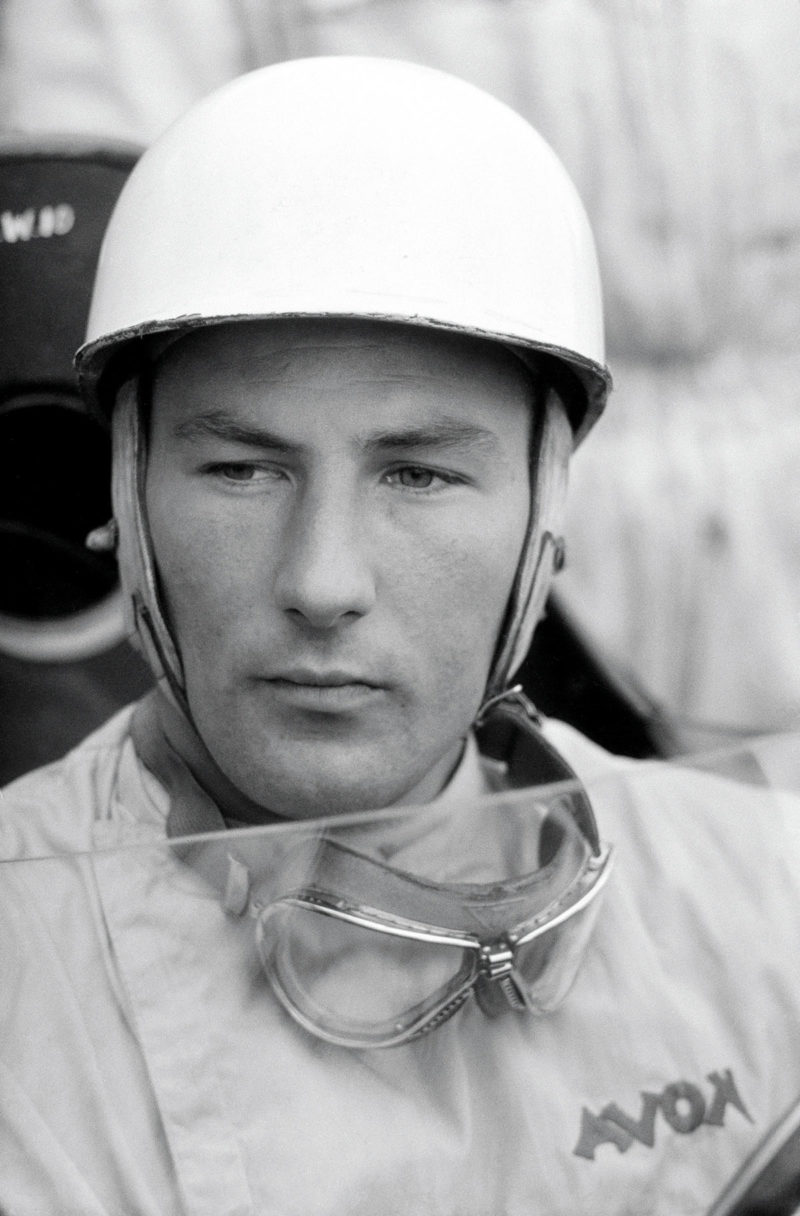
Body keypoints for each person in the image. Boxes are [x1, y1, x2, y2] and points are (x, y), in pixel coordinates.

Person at [1, 56, 799, 1216]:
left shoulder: (760, 900)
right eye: (241, 468)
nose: (322, 581)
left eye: (419, 474)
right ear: (125, 501)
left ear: (547, 509)